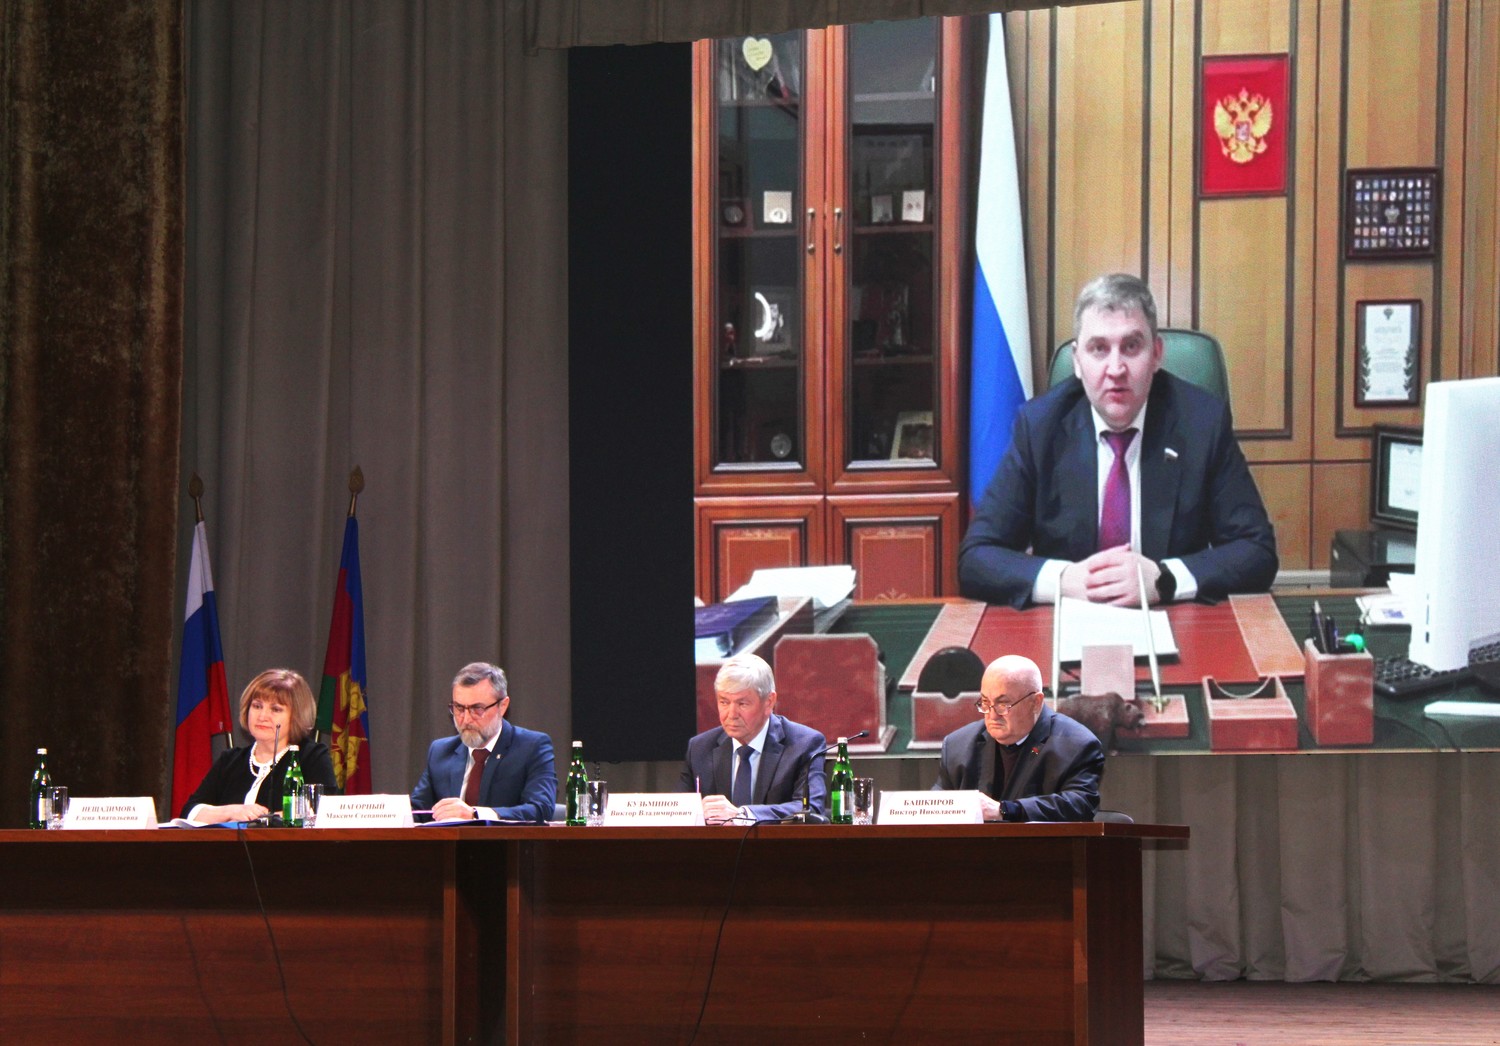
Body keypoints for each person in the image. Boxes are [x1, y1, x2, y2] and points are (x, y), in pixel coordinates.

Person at [959, 272, 1278, 609]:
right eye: (1099, 349)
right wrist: (1065, 581)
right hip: (1069, 618)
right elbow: (976, 559)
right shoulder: (1039, 427)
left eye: (1131, 346)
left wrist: (1165, 580)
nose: (1116, 369)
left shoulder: (1202, 423)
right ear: (1077, 361)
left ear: (1156, 354)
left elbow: (1257, 551)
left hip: (1173, 619)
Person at [933, 654, 1102, 822]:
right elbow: (935, 809)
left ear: (1035, 702)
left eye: (1003, 704)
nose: (992, 715)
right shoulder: (958, 745)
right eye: (985, 702)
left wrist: (1005, 810)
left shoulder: (1076, 745)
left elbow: (1079, 804)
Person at [678, 653, 828, 824]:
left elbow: (810, 809)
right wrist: (695, 812)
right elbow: (679, 813)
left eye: (742, 704)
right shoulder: (700, 748)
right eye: (724, 702)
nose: (731, 714)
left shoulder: (804, 744)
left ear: (769, 702)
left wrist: (743, 815)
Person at [179, 668, 339, 823]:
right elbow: (190, 812)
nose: (262, 716)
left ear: (296, 716)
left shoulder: (311, 757)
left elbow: (325, 811)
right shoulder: (230, 760)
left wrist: (264, 820)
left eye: (275, 709)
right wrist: (232, 811)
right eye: (257, 706)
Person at [409, 662, 556, 823]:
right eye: (459, 708)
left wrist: (476, 814)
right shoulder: (440, 751)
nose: (466, 719)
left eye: (477, 709)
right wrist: (390, 810)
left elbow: (541, 809)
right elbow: (417, 810)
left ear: (502, 706)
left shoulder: (531, 747)